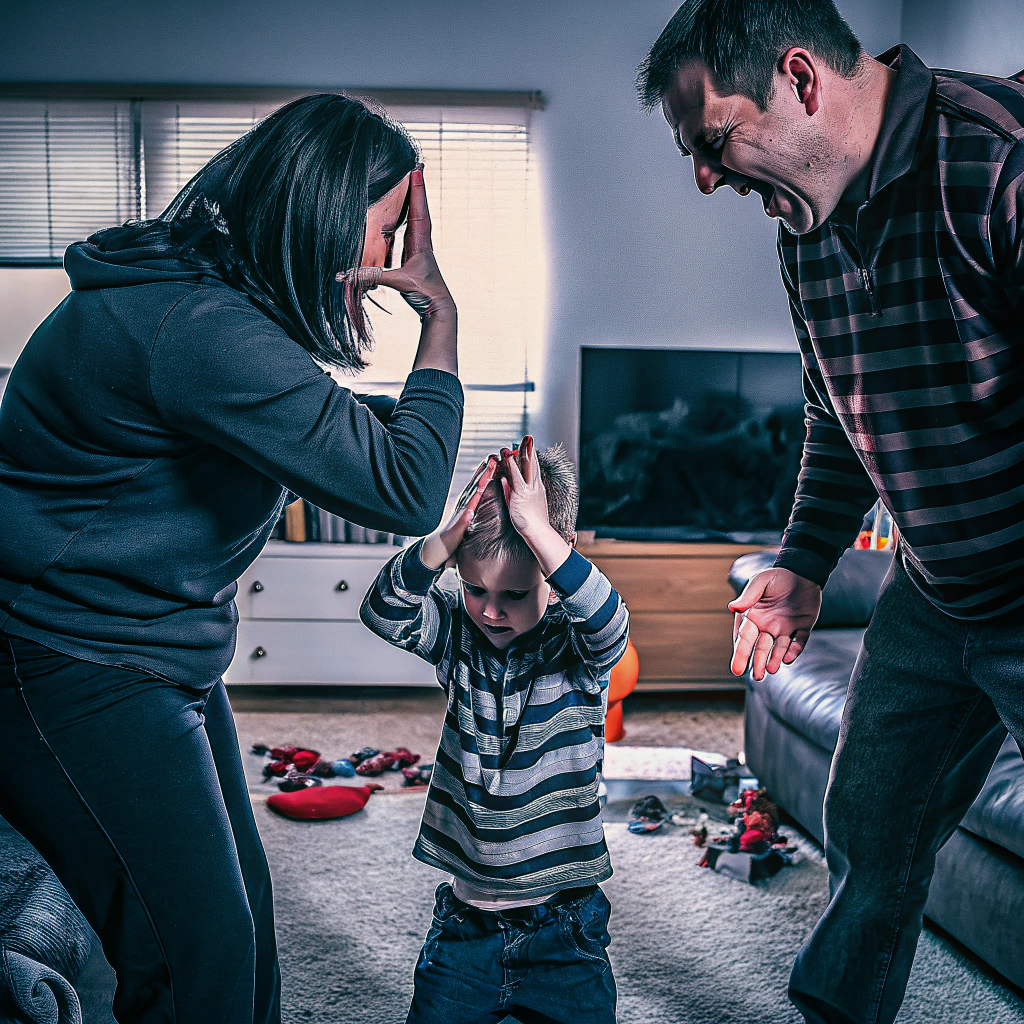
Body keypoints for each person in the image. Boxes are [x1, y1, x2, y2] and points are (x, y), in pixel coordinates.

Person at [0, 93, 463, 1024]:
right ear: (326, 216)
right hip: (74, 658)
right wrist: (439, 313)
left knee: (239, 930)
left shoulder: (203, 301)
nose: (384, 267)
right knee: (196, 960)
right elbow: (408, 490)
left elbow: (327, 432)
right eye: (384, 234)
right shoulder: (201, 328)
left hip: (151, 648)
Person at [638, 2, 1024, 1023]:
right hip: (934, 591)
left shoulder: (997, 162)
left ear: (800, 79)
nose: (706, 179)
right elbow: (833, 400)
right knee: (870, 816)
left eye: (712, 141)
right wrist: (803, 559)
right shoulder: (806, 227)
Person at [359, 436, 629, 1024]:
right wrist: (440, 544)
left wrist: (542, 533)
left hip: (564, 930)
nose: (491, 611)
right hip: (465, 930)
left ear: (552, 570)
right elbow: (383, 611)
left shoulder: (576, 648)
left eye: (514, 594)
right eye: (476, 588)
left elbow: (610, 621)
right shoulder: (458, 635)